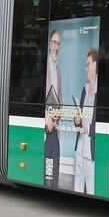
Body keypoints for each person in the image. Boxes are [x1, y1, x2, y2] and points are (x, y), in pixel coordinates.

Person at [72, 49, 98, 195]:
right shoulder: (85, 88)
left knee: (91, 187)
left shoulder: (101, 91)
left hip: (91, 149)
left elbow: (105, 123)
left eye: (88, 64)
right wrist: (77, 120)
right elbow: (80, 113)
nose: (86, 68)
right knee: (78, 185)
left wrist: (89, 128)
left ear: (95, 65)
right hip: (80, 147)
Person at [43, 30, 62, 187]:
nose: (56, 46)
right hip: (45, 129)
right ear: (50, 45)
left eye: (58, 44)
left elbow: (59, 98)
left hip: (55, 130)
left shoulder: (58, 70)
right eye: (54, 43)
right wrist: (46, 123)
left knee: (54, 173)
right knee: (44, 174)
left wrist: (59, 114)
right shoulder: (44, 67)